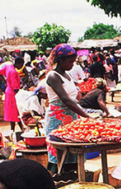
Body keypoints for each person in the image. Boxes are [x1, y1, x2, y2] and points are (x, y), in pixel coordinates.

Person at [45, 44, 91, 173]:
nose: (72, 64)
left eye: (73, 61)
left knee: (72, 153)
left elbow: (73, 98)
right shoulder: (53, 76)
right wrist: (87, 116)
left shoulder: (67, 75)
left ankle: (73, 180)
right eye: (69, 61)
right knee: (60, 153)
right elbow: (65, 100)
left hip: (71, 117)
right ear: (60, 61)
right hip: (58, 119)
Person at [0, 57, 25, 132]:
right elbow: (15, 88)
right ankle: (20, 129)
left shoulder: (8, 66)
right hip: (13, 93)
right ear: (19, 64)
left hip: (8, 91)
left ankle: (13, 130)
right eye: (21, 65)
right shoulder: (13, 72)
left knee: (12, 113)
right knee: (16, 112)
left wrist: (5, 81)